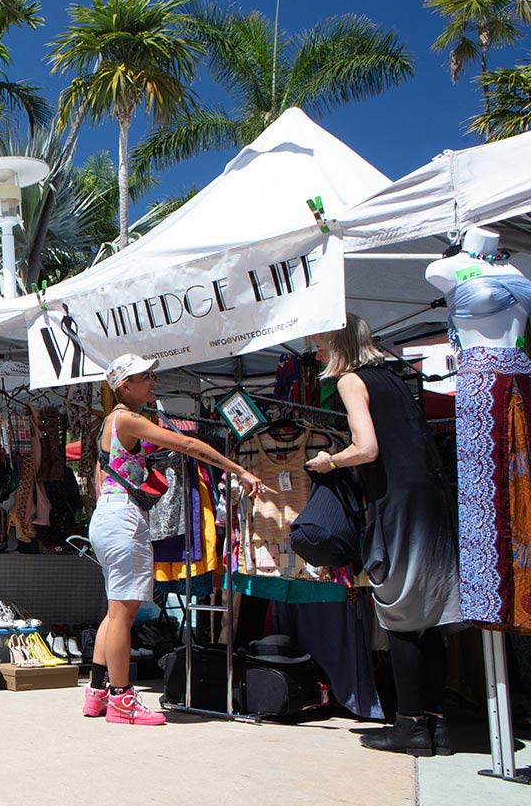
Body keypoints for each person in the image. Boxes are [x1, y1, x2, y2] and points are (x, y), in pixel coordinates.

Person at [306, 314, 462, 756]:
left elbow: (367, 448)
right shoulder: (394, 380)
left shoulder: (351, 382)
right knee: (429, 618)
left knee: (400, 618)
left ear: (337, 344)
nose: (316, 354)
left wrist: (329, 462)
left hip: (398, 506)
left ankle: (409, 727)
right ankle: (436, 725)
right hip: (430, 501)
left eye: (320, 344)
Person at [85, 354, 269, 726]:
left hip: (107, 515)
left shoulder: (109, 423)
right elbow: (188, 447)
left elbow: (98, 476)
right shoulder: (130, 419)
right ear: (125, 385)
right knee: (123, 612)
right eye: (145, 377)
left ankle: (97, 692)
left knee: (115, 609)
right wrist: (239, 470)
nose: (153, 382)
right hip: (124, 519)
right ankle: (121, 700)